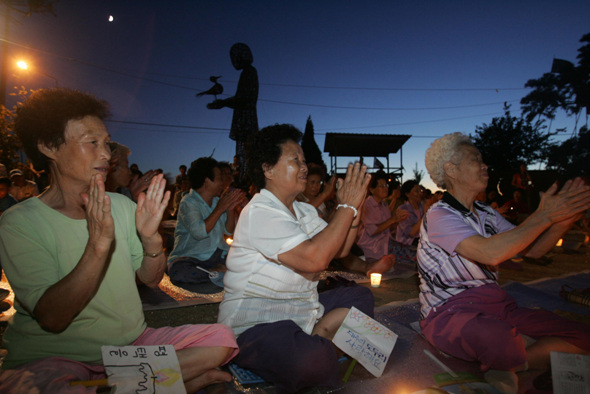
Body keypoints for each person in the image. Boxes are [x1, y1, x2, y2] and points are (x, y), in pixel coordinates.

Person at [0, 88, 238, 392]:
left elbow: (151, 281)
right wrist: (98, 245)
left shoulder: (123, 206)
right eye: (92, 142)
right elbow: (53, 318)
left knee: (220, 340)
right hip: (54, 355)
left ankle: (121, 385)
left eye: (106, 143)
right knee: (46, 386)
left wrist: (151, 239)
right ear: (49, 146)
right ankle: (165, 383)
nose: (105, 154)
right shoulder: (21, 222)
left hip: (128, 346)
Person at [418, 132, 590, 392]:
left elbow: (529, 250)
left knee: (581, 335)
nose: (485, 165)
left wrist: (562, 222)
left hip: (497, 305)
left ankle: (510, 362)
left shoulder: (486, 212)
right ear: (451, 170)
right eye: (476, 159)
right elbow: (491, 254)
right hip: (449, 312)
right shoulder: (440, 214)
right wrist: (544, 216)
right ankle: (512, 357)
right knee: (494, 334)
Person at [218, 124, 374, 393]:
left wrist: (354, 207)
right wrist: (346, 206)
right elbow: (315, 259)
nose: (304, 166)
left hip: (303, 311)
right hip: (257, 325)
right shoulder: (260, 211)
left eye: (303, 160)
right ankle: (323, 338)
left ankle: (321, 332)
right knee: (312, 361)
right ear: (268, 169)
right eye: (295, 160)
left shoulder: (302, 210)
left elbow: (340, 249)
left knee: (362, 297)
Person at [167, 157, 245, 285]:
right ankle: (217, 273)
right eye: (219, 178)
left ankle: (216, 273)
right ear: (207, 180)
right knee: (178, 272)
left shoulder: (216, 201)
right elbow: (199, 232)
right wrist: (220, 208)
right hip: (191, 257)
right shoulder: (188, 202)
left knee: (248, 261)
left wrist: (230, 209)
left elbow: (229, 231)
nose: (222, 183)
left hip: (218, 255)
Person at [207, 43, 259, 184]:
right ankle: (243, 177)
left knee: (246, 151)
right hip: (244, 120)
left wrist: (223, 103)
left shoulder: (249, 72)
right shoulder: (247, 72)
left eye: (235, 58)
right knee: (242, 151)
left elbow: (244, 98)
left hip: (246, 120)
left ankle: (245, 179)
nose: (234, 62)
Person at [356, 171, 410, 274]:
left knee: (412, 253)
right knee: (410, 256)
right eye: (381, 186)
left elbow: (388, 227)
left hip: (386, 242)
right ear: (372, 190)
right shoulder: (367, 205)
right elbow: (372, 231)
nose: (386, 188)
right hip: (373, 245)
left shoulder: (384, 205)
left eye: (386, 185)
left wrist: (397, 221)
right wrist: (393, 219)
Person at [395, 180, 427, 246]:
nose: (420, 193)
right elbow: (411, 232)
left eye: (420, 190)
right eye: (416, 191)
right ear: (407, 194)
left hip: (420, 241)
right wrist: (426, 214)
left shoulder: (422, 207)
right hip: (407, 244)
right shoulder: (402, 209)